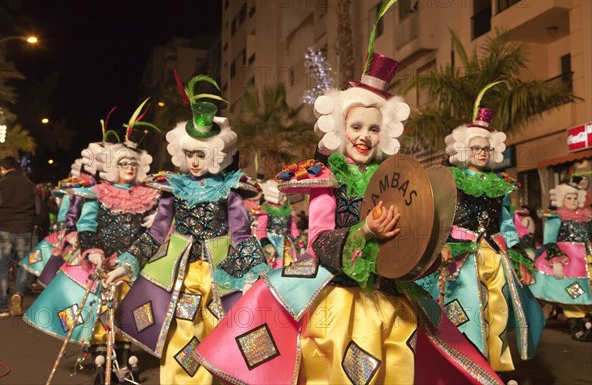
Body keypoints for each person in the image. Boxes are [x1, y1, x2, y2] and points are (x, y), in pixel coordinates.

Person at [192, 53, 503, 384]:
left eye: (373, 129)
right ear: (340, 129)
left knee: (397, 367)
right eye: (356, 127)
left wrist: (429, 247)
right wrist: (365, 231)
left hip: (391, 297)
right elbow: (318, 239)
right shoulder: (327, 179)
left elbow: (409, 235)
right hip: (342, 300)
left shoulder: (395, 180)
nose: (364, 136)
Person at [113, 74, 269, 384]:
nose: (195, 161)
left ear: (215, 155)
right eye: (190, 154)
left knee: (225, 340)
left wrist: (254, 273)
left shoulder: (230, 189)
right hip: (183, 278)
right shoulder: (174, 187)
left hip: (222, 277)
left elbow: (241, 235)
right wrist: (127, 262)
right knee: (184, 338)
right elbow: (157, 232)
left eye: (201, 154)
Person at [24, 103, 161, 383]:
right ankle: (101, 358)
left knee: (128, 314)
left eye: (133, 164)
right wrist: (94, 252)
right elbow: (85, 225)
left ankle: (124, 362)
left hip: (132, 263)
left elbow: (155, 230)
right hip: (102, 261)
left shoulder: (148, 195)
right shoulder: (98, 192)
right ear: (113, 167)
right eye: (123, 164)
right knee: (100, 311)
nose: (129, 169)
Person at [417, 85, 545, 372]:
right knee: (462, 312)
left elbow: (507, 224)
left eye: (486, 148)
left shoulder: (500, 184)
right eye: (476, 147)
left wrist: (517, 256)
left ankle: (494, 368)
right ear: (463, 150)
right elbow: (438, 215)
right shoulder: (449, 178)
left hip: (494, 256)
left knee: (497, 311)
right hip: (459, 260)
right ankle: (462, 367)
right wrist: (442, 244)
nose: (482, 153)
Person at [529, 182, 592, 341]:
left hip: (588, 259)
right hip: (571, 263)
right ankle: (577, 326)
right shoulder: (555, 218)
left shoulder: (586, 216)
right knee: (574, 292)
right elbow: (549, 241)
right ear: (561, 199)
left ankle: (588, 322)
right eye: (569, 197)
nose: (572, 200)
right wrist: (556, 260)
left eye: (575, 197)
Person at [0, 156, 40, 317]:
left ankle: (3, 307)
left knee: (2, 267)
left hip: (4, 228)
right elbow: (38, 209)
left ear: (2, 169)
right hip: (24, 229)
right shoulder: (29, 184)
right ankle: (18, 293)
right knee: (23, 265)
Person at [256, 179, 300, 268]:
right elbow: (261, 230)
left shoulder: (288, 211)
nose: (285, 198)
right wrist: (266, 243)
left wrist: (300, 244)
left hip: (287, 247)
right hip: (272, 245)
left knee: (288, 268)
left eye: (285, 195)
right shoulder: (266, 211)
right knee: (274, 268)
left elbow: (293, 229)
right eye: (282, 195)